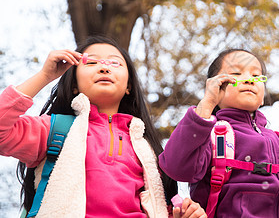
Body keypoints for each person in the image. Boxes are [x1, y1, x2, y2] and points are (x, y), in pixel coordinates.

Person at [0, 36, 206, 218]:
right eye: (91, 62)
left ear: (129, 86)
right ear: (73, 83)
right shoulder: (54, 130)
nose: (104, 67)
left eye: (115, 63)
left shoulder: (150, 151)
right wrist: (44, 76)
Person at [159, 48, 279, 217]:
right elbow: (177, 167)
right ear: (214, 86)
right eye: (235, 74)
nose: (248, 80)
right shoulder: (210, 136)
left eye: (256, 76)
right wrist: (207, 104)